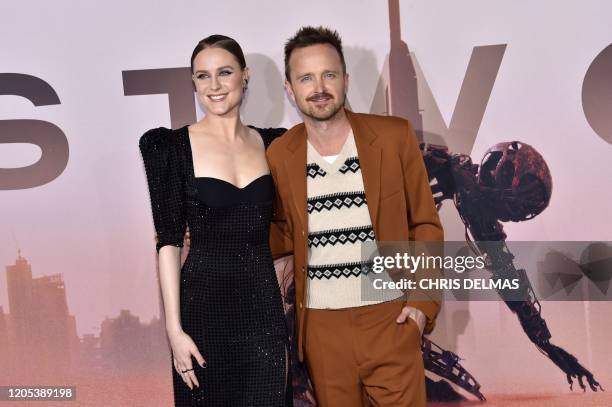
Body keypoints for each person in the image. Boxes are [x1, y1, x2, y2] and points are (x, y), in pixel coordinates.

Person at [267, 26, 444, 406]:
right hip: (321, 328)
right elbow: (285, 231)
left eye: (329, 74)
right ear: (289, 87)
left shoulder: (394, 137)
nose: (319, 87)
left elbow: (425, 223)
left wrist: (420, 305)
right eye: (306, 77)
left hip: (390, 317)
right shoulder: (280, 154)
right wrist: (214, 236)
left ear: (346, 79)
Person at [139, 35, 290, 406]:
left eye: (224, 72)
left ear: (245, 75)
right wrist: (175, 331)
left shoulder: (276, 144)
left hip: (263, 313)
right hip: (202, 312)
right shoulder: (170, 148)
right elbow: (169, 242)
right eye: (202, 76)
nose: (215, 86)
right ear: (193, 83)